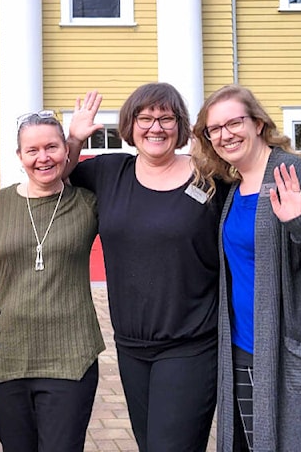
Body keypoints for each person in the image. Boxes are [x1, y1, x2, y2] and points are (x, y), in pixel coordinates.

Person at [191, 84, 301, 452]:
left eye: (234, 123)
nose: (225, 135)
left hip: (294, 348)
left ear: (257, 123)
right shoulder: (233, 184)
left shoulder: (290, 173)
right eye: (215, 129)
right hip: (244, 346)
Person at [66, 84, 224, 452]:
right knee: (149, 443)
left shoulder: (208, 177)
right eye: (145, 118)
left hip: (190, 342)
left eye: (166, 118)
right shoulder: (109, 172)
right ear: (130, 125)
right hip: (131, 345)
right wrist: (74, 138)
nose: (156, 127)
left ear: (180, 125)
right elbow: (57, 174)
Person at [0, 111, 103, 451]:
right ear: (19, 157)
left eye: (52, 147)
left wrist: (78, 139)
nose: (43, 157)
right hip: (6, 355)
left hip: (70, 355)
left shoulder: (88, 203)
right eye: (32, 150)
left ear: (66, 150)